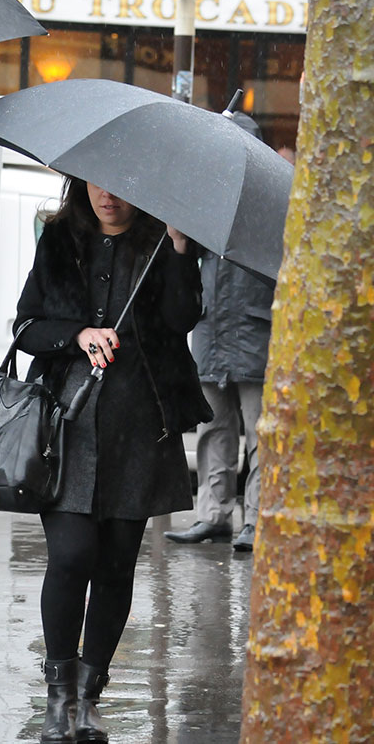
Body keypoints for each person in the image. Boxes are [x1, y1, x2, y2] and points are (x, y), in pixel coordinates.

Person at [13, 177, 210, 743]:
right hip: (68, 422)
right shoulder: (58, 239)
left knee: (118, 563)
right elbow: (28, 326)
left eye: (123, 187)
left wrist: (178, 245)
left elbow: (182, 319)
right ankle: (57, 693)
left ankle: (88, 696)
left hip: (140, 425)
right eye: (97, 185)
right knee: (72, 555)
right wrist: (78, 334)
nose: (108, 196)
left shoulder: (162, 243)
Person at [164, 112, 275, 553]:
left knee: (261, 435)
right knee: (214, 430)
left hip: (255, 335)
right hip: (212, 336)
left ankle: (257, 521)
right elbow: (183, 266)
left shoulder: (270, 207)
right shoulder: (202, 201)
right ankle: (212, 515)